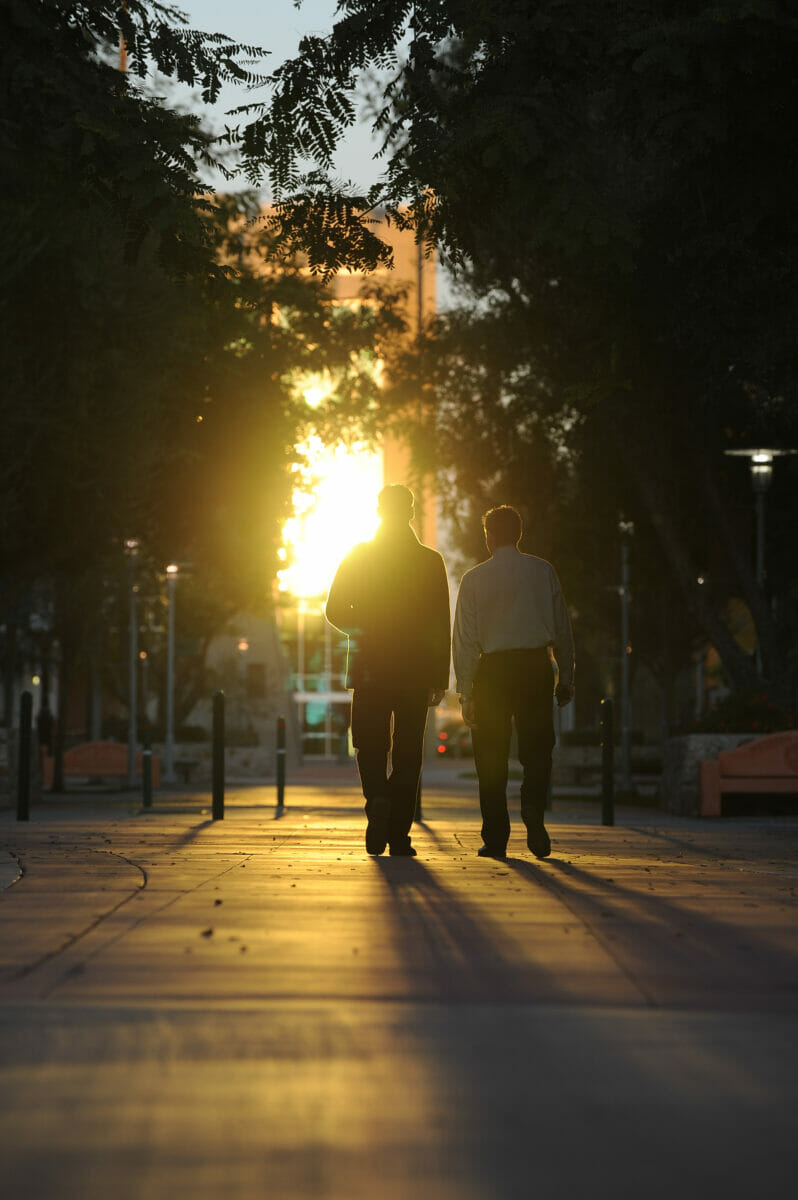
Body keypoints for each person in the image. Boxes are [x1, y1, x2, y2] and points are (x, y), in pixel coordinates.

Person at [326, 484, 451, 856]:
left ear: (379, 512)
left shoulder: (358, 556)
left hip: (369, 667)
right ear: (411, 513)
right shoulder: (430, 561)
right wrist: (438, 678)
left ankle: (377, 798)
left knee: (369, 745)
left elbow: (334, 610)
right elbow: (439, 624)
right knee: (409, 753)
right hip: (414, 671)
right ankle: (399, 835)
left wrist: (365, 628)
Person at [453, 505, 575, 860]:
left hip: (492, 671)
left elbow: (465, 640)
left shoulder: (474, 579)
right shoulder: (542, 571)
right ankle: (533, 805)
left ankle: (495, 836)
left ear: (488, 536)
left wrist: (465, 690)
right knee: (539, 748)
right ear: (518, 534)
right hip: (535, 668)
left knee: (489, 755)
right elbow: (563, 630)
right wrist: (565, 677)